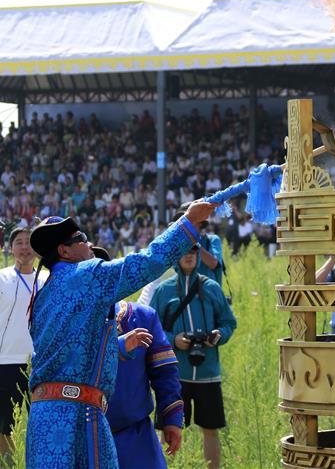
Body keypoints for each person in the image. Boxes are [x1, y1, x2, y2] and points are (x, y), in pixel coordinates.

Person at [25, 200, 217, 469]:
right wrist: (187, 223)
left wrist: (119, 346)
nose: (88, 243)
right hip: (79, 416)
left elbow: (71, 352)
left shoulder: (42, 296)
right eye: (80, 238)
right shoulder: (88, 276)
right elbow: (148, 262)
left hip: (44, 420)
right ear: (64, 250)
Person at [150, 244, 237, 469]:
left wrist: (219, 335)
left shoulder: (211, 287)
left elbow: (228, 322)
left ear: (198, 255)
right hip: (175, 374)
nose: (188, 255)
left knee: (210, 429)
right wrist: (173, 340)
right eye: (183, 251)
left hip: (208, 373)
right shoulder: (163, 291)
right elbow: (152, 329)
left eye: (193, 251)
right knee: (169, 430)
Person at [0, 226, 47, 460]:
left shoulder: (47, 279)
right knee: (6, 424)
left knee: (40, 424)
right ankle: (8, 465)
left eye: (29, 242)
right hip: (5, 362)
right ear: (10, 247)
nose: (25, 247)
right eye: (19, 242)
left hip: (41, 363)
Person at [106, 302, 183, 469]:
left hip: (137, 438)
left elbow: (164, 371)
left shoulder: (142, 317)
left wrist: (172, 418)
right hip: (82, 437)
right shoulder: (71, 315)